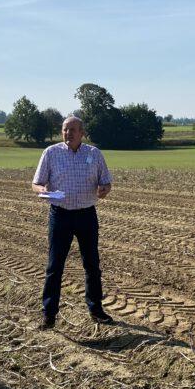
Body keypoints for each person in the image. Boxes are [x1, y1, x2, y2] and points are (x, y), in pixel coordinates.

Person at [31, 116, 114, 329]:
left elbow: (105, 182)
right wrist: (43, 191)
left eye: (73, 130)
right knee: (54, 267)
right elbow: (36, 183)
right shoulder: (51, 153)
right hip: (61, 215)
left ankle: (96, 310)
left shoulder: (94, 154)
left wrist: (104, 189)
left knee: (92, 265)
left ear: (82, 133)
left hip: (87, 215)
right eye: (65, 129)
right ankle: (48, 315)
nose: (69, 133)